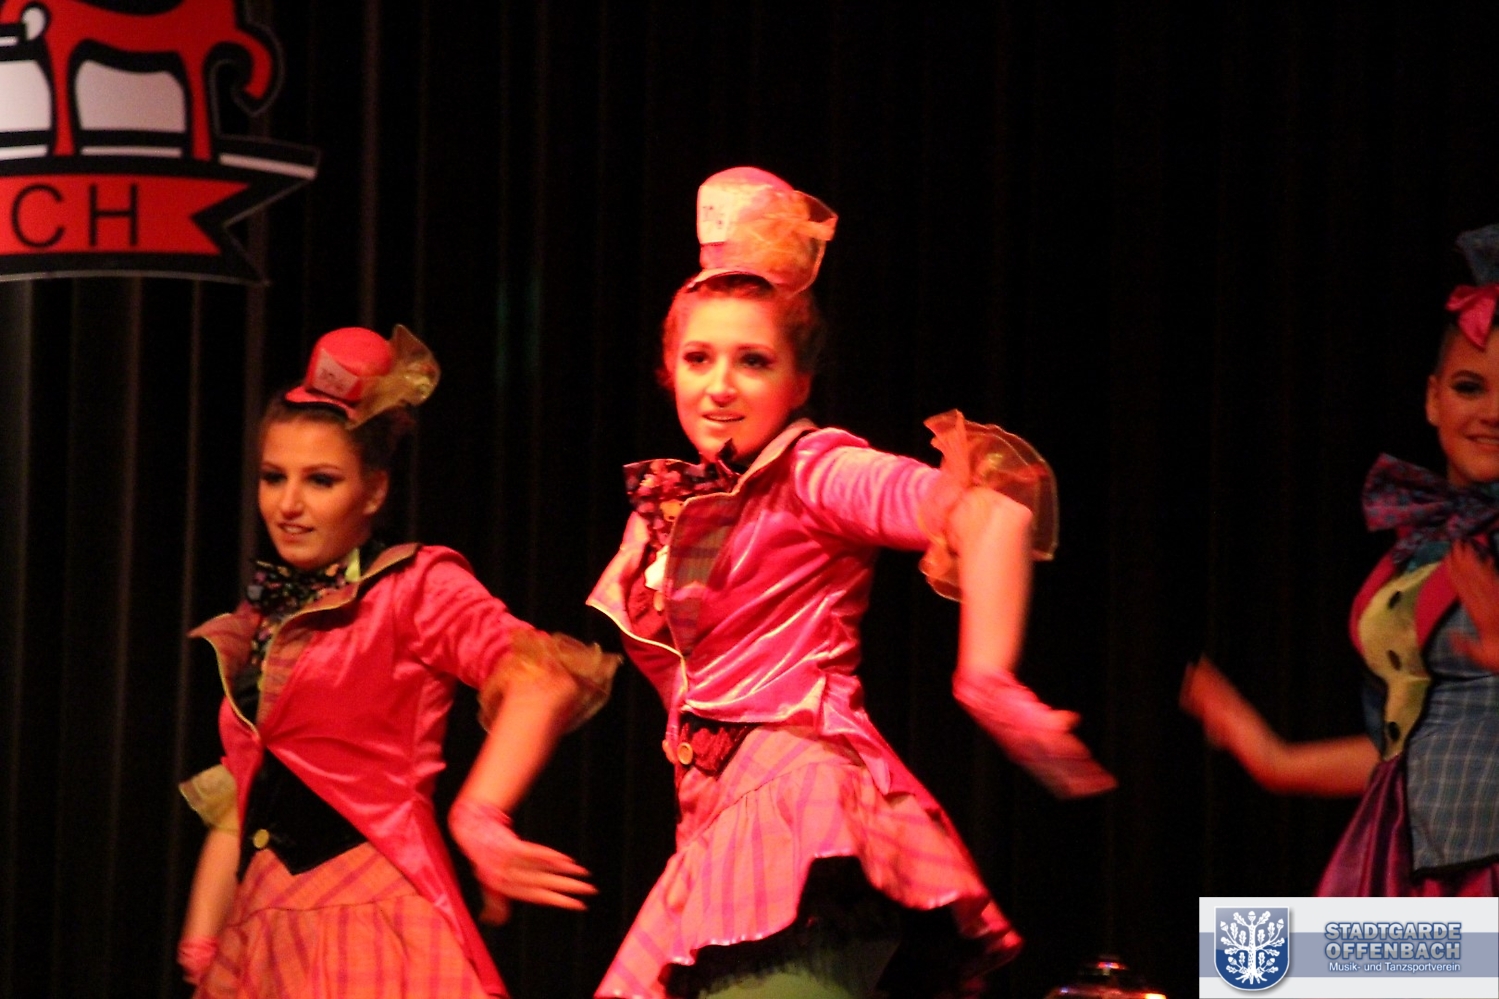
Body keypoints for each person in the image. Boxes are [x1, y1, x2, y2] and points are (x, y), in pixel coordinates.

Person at [590, 167, 1115, 999]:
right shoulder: (662, 513)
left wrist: (986, 678)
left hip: (800, 806)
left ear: (799, 382)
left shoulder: (814, 469)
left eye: (753, 361)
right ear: (667, 368)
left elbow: (989, 512)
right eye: (698, 358)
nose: (719, 385)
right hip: (714, 826)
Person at [175, 325, 618, 997]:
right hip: (263, 933)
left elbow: (544, 676)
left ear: (374, 490)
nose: (288, 505)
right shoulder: (261, 621)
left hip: (370, 914)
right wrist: (204, 939)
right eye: (273, 477)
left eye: (321, 480)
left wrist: (480, 814)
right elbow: (239, 800)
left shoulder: (413, 586)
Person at [1181, 223, 1499, 895]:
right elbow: (1412, 750)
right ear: (1432, 398)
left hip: (1481, 872)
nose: (1491, 413)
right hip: (1403, 860)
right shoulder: (1424, 547)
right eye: (1470, 387)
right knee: (1252, 951)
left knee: (1261, 953)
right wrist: (1274, 759)